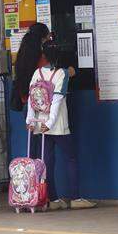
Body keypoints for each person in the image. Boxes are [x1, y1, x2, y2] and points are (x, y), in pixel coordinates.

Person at [26, 44, 96, 211]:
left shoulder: (38, 73)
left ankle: (53, 199)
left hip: (39, 122)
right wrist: (50, 123)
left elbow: (31, 98)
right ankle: (75, 197)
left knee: (47, 161)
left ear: (44, 56)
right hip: (57, 124)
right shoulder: (61, 73)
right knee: (71, 158)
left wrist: (30, 119)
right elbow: (57, 100)